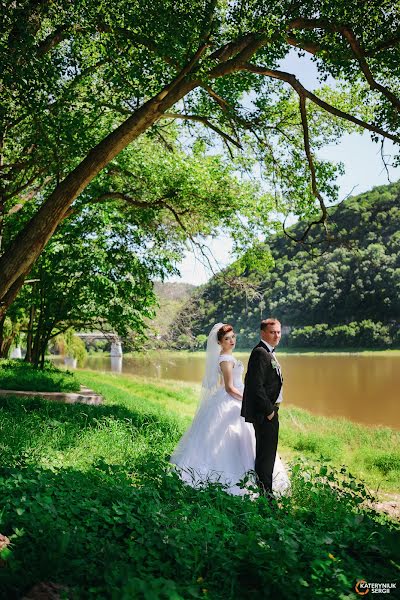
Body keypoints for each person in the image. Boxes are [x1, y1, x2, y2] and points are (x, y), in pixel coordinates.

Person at [170, 322, 289, 496]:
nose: (231, 341)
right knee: (232, 438)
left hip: (240, 395)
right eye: (227, 338)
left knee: (249, 439)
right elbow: (229, 388)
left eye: (233, 337)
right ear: (220, 342)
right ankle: (239, 481)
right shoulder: (225, 359)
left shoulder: (229, 356)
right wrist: (248, 399)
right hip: (233, 399)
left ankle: (260, 480)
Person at [241, 318, 287, 498]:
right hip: (265, 414)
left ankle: (264, 493)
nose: (276, 335)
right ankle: (266, 497)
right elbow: (255, 386)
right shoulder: (260, 352)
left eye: (278, 332)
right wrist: (269, 411)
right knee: (265, 457)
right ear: (263, 333)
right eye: (272, 332)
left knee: (266, 454)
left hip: (269, 412)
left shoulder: (268, 352)